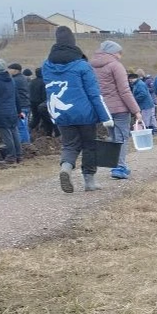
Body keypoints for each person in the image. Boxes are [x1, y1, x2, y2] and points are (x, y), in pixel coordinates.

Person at [42, 26, 113, 192]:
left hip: (60, 112)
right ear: (73, 43)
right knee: (89, 145)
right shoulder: (82, 66)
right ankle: (89, 181)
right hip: (84, 113)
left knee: (69, 145)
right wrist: (106, 117)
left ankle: (66, 168)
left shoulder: (46, 66)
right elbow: (94, 94)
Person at [90, 40, 143, 180]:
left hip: (103, 109)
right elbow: (124, 91)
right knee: (122, 137)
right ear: (113, 53)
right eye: (119, 53)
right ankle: (119, 167)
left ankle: (117, 165)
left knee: (113, 137)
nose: (120, 56)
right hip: (119, 108)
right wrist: (136, 111)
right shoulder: (116, 66)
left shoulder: (93, 67)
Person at [0, 59, 24, 165]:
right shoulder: (11, 79)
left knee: (7, 135)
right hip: (12, 111)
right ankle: (19, 156)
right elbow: (16, 97)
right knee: (14, 133)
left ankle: (11, 157)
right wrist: (19, 111)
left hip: (0, 112)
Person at [7, 63, 31, 145]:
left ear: (16, 70)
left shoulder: (16, 80)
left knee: (21, 126)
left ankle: (24, 144)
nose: (8, 71)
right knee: (23, 125)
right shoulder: (23, 78)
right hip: (25, 105)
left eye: (10, 69)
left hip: (21, 107)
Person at [29, 67, 55, 137]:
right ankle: (48, 134)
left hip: (32, 102)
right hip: (41, 103)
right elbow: (44, 94)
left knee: (35, 118)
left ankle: (30, 130)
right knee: (46, 120)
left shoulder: (32, 81)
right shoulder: (44, 82)